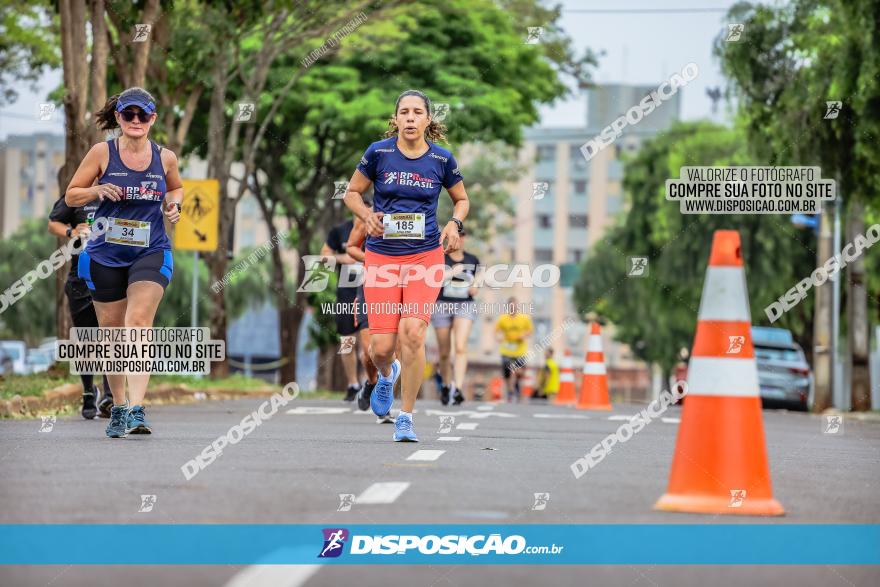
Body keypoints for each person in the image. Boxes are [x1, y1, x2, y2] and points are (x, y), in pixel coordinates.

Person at [344, 89, 469, 442]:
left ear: (428, 119)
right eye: (404, 112)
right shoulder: (378, 153)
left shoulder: (442, 160)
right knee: (380, 349)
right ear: (395, 119)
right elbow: (351, 193)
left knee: (413, 332)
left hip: (424, 256)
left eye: (417, 112)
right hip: (382, 257)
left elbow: (461, 199)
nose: (411, 117)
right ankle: (387, 375)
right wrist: (367, 216)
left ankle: (407, 417)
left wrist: (454, 223)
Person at [64, 87, 183, 438]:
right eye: (128, 114)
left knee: (139, 322)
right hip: (105, 254)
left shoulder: (166, 158)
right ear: (118, 118)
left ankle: (137, 409)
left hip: (151, 250)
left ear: (152, 119)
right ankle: (117, 405)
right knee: (113, 334)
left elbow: (176, 188)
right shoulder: (102, 152)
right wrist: (97, 190)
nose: (135, 121)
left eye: (142, 115)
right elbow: (72, 193)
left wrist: (173, 205)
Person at [47, 196, 112, 419]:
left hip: (112, 276)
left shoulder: (120, 193)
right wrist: (71, 232)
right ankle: (88, 392)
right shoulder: (75, 196)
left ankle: (110, 396)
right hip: (80, 280)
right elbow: (52, 223)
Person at [344, 215, 388, 422]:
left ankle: (384, 399)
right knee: (369, 353)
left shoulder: (416, 213)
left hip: (404, 287)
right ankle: (371, 382)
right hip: (369, 290)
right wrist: (370, 258)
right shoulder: (369, 218)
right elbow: (351, 247)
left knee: (390, 351)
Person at [431, 231, 479, 405]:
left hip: (465, 304)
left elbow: (478, 278)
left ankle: (457, 388)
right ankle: (445, 385)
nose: (458, 239)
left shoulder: (472, 259)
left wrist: (476, 285)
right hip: (442, 304)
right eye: (454, 236)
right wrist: (451, 274)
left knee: (460, 347)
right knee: (444, 352)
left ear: (464, 239)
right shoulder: (439, 258)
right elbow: (432, 280)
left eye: (461, 236)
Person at [321, 219, 365, 401]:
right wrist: (342, 258)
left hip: (373, 290)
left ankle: (369, 383)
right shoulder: (340, 230)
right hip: (346, 293)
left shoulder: (382, 227)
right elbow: (323, 257)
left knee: (369, 344)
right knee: (347, 341)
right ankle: (353, 384)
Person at [494, 297, 533, 403]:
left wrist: (523, 335)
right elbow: (496, 331)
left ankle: (513, 391)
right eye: (511, 306)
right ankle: (511, 391)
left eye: (515, 306)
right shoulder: (502, 319)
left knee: (517, 372)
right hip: (506, 350)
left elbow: (530, 331)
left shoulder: (524, 319)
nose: (513, 308)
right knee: (509, 373)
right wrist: (498, 337)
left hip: (520, 351)